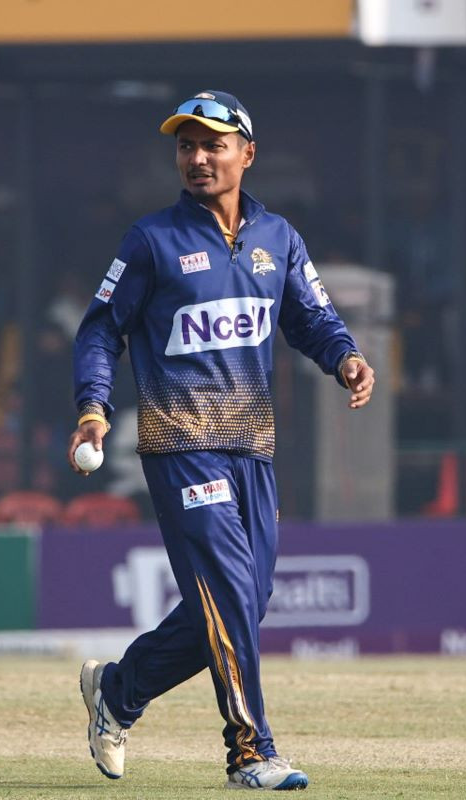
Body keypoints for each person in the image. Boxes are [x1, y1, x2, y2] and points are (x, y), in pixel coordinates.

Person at [67, 91, 374, 791]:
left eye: (213, 144)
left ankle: (118, 690)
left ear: (247, 154)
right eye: (186, 146)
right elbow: (100, 329)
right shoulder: (151, 240)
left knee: (244, 602)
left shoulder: (279, 238)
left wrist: (346, 358)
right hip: (180, 443)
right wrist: (92, 407)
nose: (198, 158)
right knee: (232, 595)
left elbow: (313, 318)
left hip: (252, 446)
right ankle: (250, 752)